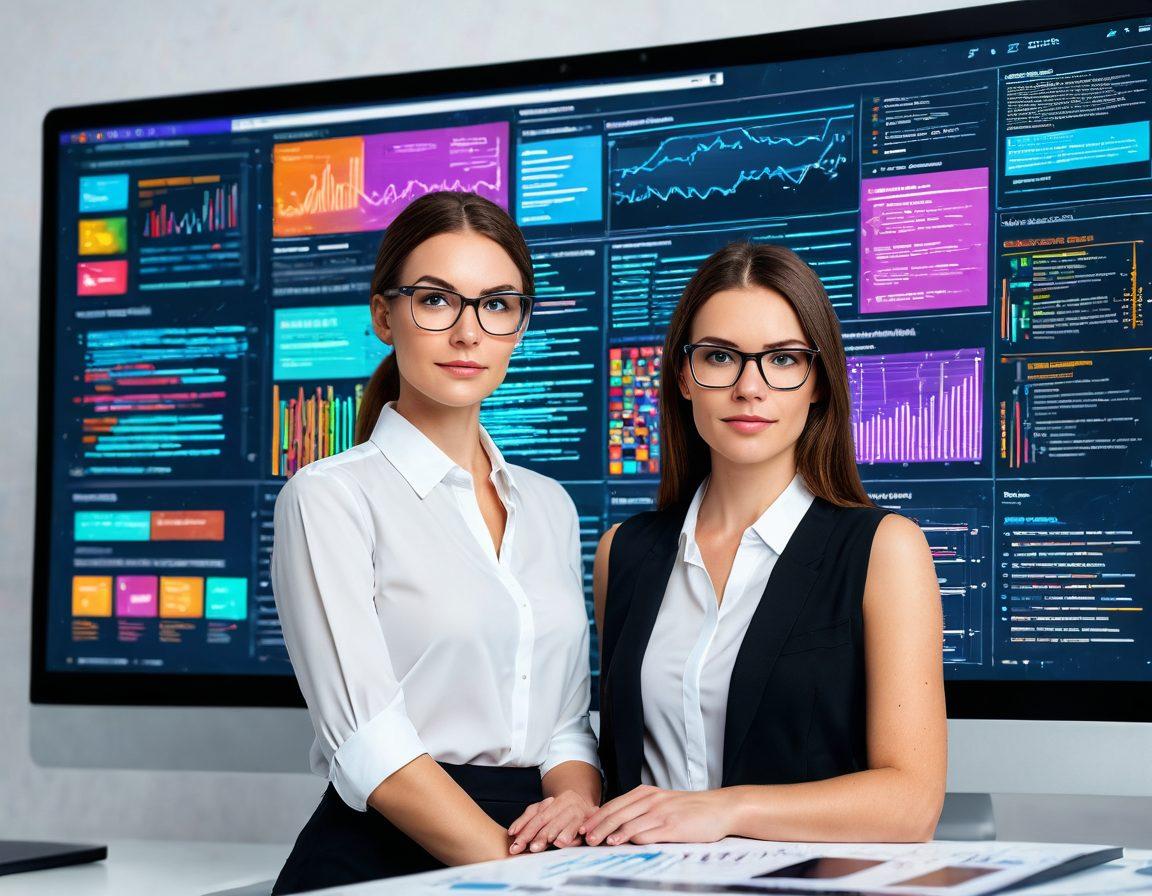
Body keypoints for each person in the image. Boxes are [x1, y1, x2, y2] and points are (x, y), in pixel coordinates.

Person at [270, 191, 601, 894]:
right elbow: (369, 742)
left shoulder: (551, 507)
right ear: (385, 317)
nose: (467, 332)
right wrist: (526, 877)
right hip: (387, 854)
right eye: (436, 300)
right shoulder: (330, 497)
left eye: (496, 304)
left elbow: (565, 723)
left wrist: (577, 805)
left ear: (518, 325)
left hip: (534, 848)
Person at [584, 241, 946, 848]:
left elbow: (911, 802)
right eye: (721, 357)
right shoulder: (623, 552)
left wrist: (724, 811)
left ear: (819, 383)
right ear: (683, 378)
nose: (750, 388)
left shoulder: (884, 549)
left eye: (782, 360)